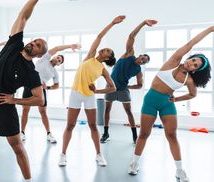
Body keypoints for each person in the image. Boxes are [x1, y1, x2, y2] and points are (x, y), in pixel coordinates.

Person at [127, 25, 214, 182]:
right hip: (151, 100)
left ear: (195, 71)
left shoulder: (189, 79)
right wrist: (211, 29)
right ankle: (134, 163)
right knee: (144, 134)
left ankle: (179, 170)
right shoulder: (174, 60)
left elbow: (193, 94)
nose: (191, 63)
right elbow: (190, 43)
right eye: (193, 60)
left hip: (167, 104)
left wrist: (176, 99)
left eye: (195, 65)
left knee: (172, 135)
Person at [0, 0, 48, 181]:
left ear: (39, 54)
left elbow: (40, 100)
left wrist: (15, 101)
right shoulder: (14, 44)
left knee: (17, 147)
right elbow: (23, 16)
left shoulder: (31, 73)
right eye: (35, 41)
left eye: (37, 45)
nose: (33, 43)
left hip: (4, 104)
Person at [58, 15, 126, 167]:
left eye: (107, 51)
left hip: (89, 97)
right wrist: (112, 23)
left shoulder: (102, 69)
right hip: (75, 94)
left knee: (93, 126)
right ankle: (63, 154)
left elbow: (113, 87)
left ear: (108, 57)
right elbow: (100, 36)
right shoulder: (90, 56)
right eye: (105, 48)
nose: (104, 49)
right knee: (70, 125)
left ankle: (98, 154)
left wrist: (97, 91)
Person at [101, 19, 157, 144]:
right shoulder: (128, 54)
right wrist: (143, 23)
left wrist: (129, 87)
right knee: (107, 110)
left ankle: (134, 136)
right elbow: (131, 36)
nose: (143, 60)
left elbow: (140, 85)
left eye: (145, 61)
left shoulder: (138, 71)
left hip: (122, 89)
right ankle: (105, 133)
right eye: (143, 58)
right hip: (110, 86)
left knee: (129, 112)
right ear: (140, 55)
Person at [20, 43, 81, 144]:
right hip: (29, 85)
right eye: (57, 57)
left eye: (59, 60)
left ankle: (49, 134)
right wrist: (70, 46)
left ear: (59, 64)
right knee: (25, 111)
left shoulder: (54, 73)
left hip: (40, 89)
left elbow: (56, 86)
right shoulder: (44, 59)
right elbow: (56, 47)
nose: (58, 59)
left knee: (43, 112)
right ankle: (22, 132)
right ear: (54, 57)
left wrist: (47, 87)